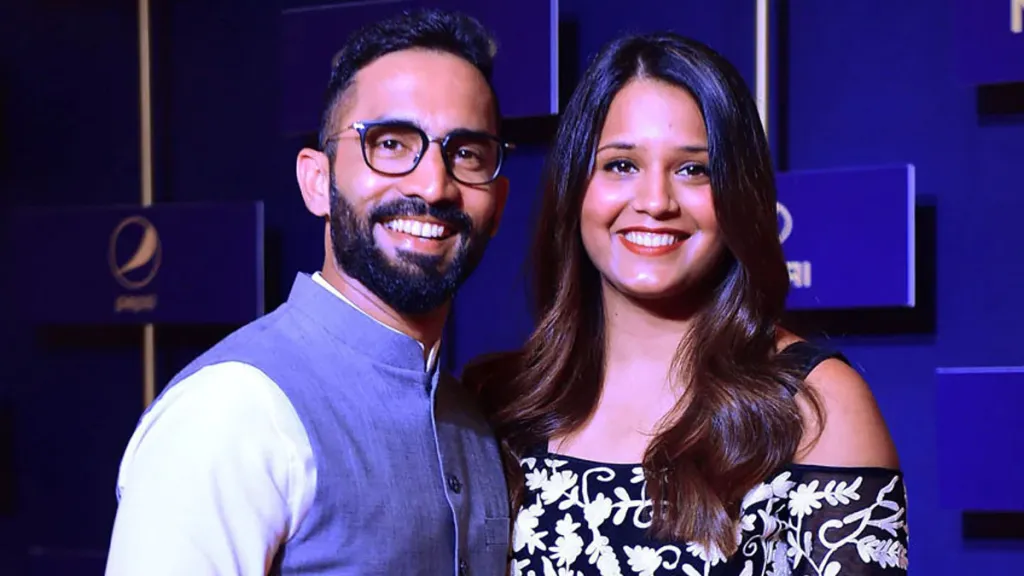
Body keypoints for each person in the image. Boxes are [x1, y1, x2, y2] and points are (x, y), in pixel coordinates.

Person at [464, 32, 909, 576]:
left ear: (738, 193)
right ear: (575, 187)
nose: (655, 202)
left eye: (693, 169)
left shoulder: (813, 406)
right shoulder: (500, 405)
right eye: (621, 165)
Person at [105, 8, 513, 576]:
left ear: (499, 203)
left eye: (465, 153)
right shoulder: (234, 410)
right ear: (318, 181)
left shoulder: (471, 420)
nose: (433, 184)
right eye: (391, 144)